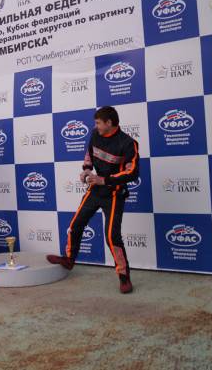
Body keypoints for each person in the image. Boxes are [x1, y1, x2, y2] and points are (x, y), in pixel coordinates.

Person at [47, 106, 139, 294]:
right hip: (95, 190)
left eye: (98, 123)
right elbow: (89, 153)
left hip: (115, 193)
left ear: (109, 123)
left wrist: (105, 180)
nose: (95, 126)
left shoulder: (128, 143)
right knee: (75, 225)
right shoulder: (96, 134)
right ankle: (69, 260)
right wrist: (87, 169)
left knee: (112, 237)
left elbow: (132, 172)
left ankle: (124, 277)